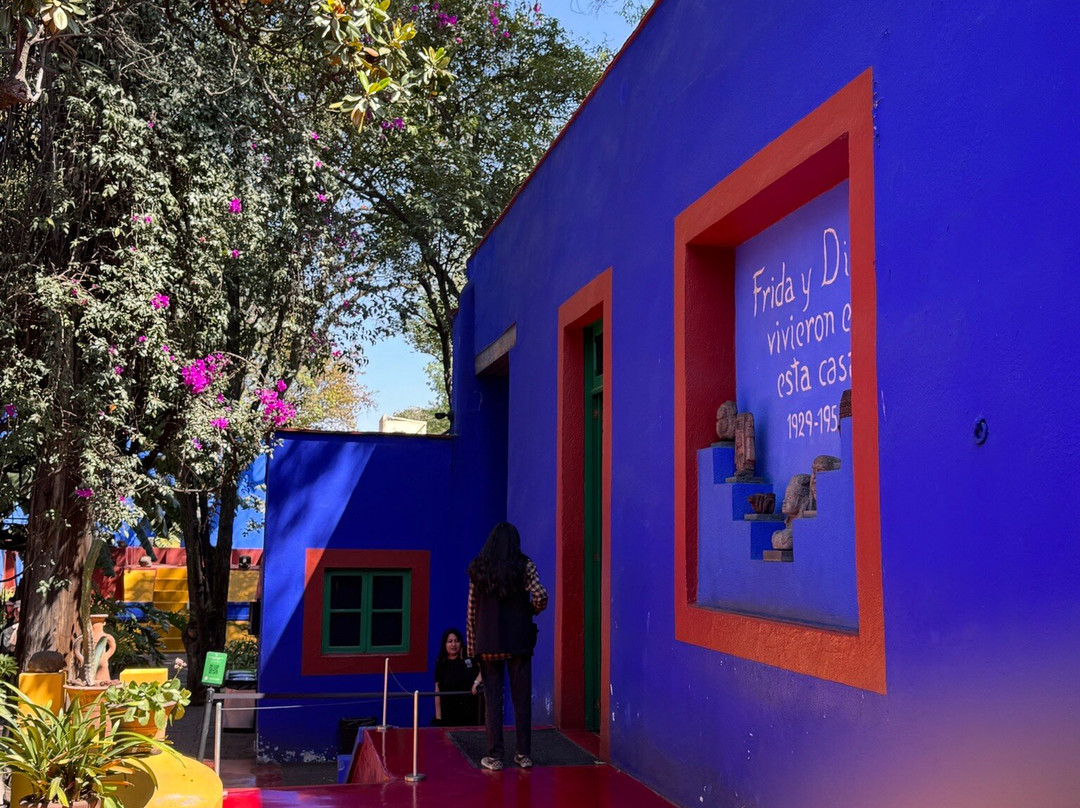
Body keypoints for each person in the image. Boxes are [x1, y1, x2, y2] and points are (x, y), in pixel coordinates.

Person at [466, 522, 547, 771]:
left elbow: (472, 611)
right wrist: (529, 611)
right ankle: (523, 755)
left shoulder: (479, 568)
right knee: (521, 700)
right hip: (518, 642)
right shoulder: (524, 565)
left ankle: (495, 757)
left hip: (488, 642)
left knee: (493, 700)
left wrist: (472, 648)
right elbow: (541, 596)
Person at [433, 627, 482, 726]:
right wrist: (438, 718)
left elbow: (484, 670)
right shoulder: (441, 662)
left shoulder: (469, 657)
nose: (453, 644)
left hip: (470, 711)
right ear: (445, 644)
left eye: (457, 641)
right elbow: (437, 691)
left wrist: (476, 682)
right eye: (450, 641)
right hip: (449, 712)